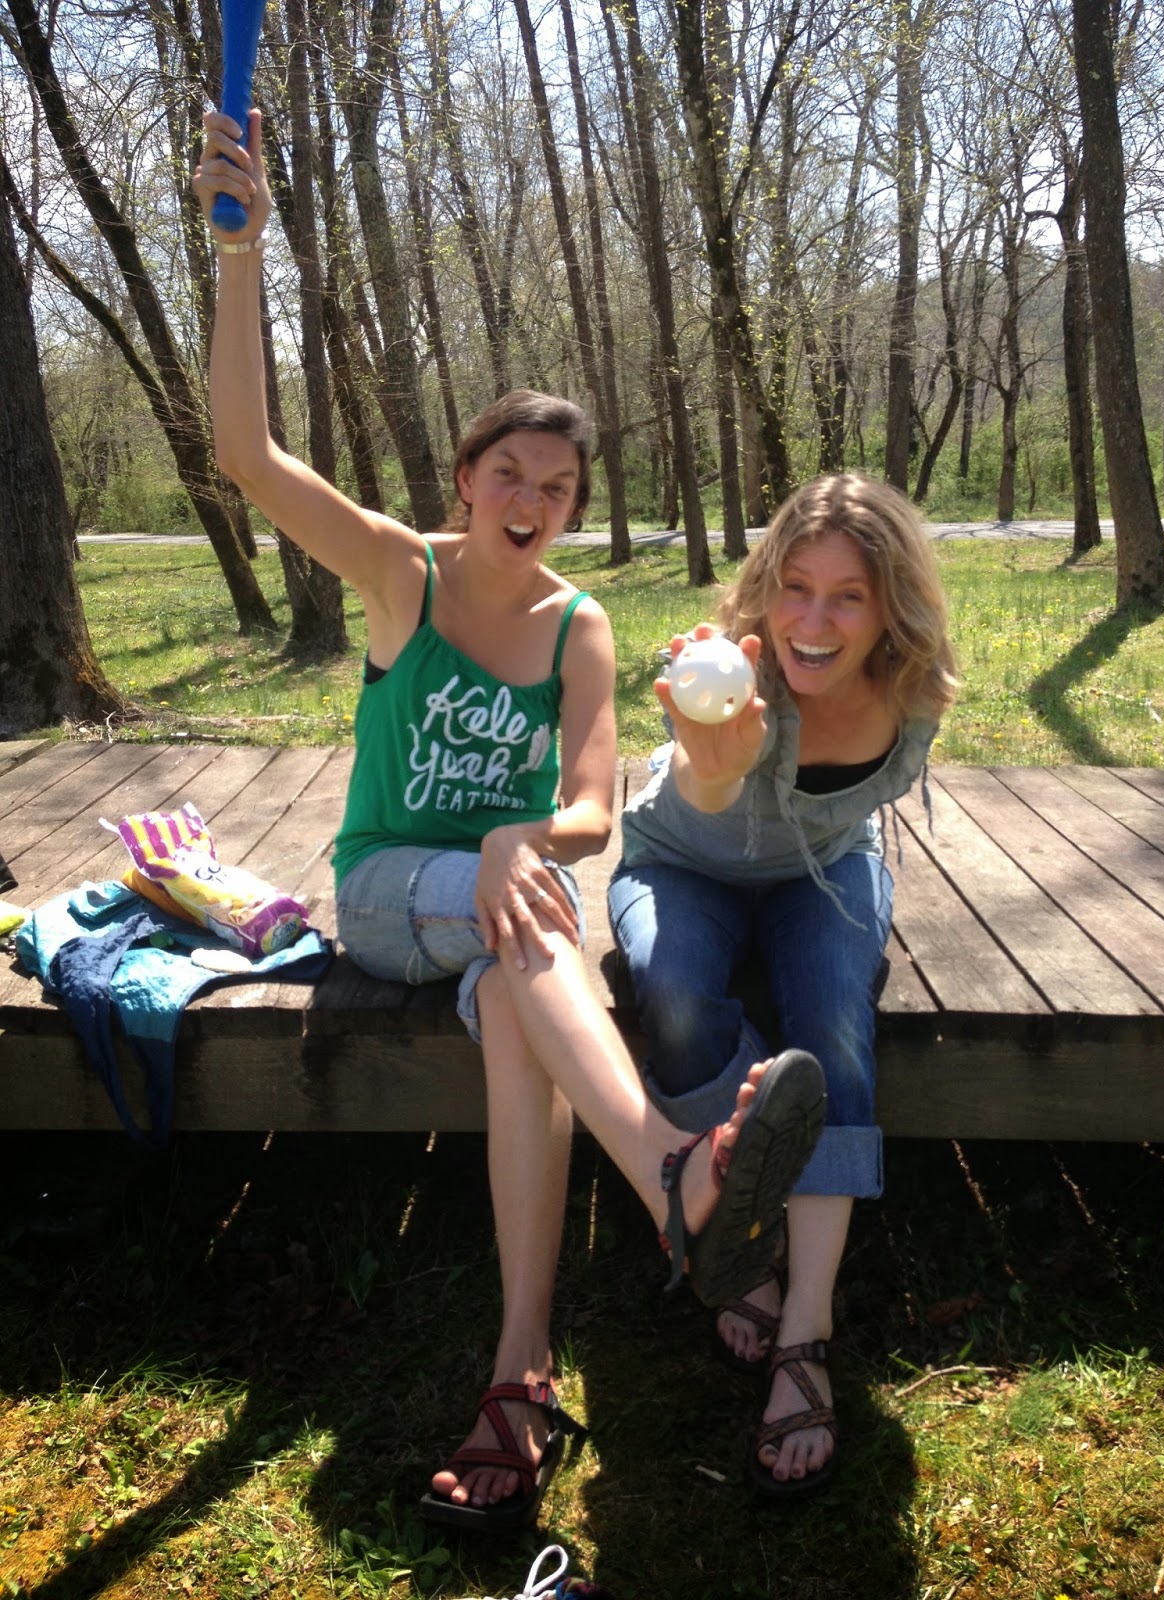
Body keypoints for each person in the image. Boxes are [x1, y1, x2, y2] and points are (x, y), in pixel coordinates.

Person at [192, 112, 827, 1532]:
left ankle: (520, 1372)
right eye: (509, 476)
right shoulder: (398, 573)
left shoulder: (578, 623)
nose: (532, 502)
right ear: (466, 478)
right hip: (384, 894)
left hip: (507, 911)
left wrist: (519, 838)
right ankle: (672, 1173)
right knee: (523, 922)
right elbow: (244, 450)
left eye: (558, 488)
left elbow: (593, 805)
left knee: (526, 1014)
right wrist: (240, 258)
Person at [607, 473, 957, 1495]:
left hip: (828, 870)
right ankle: (747, 1231)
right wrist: (716, 761)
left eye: (848, 596)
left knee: (834, 1023)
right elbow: (701, 793)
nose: (813, 620)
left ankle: (806, 1321)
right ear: (766, 589)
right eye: (795, 588)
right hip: (684, 863)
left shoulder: (911, 694)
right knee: (672, 996)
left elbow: (861, 813)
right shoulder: (729, 678)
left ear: (891, 606)